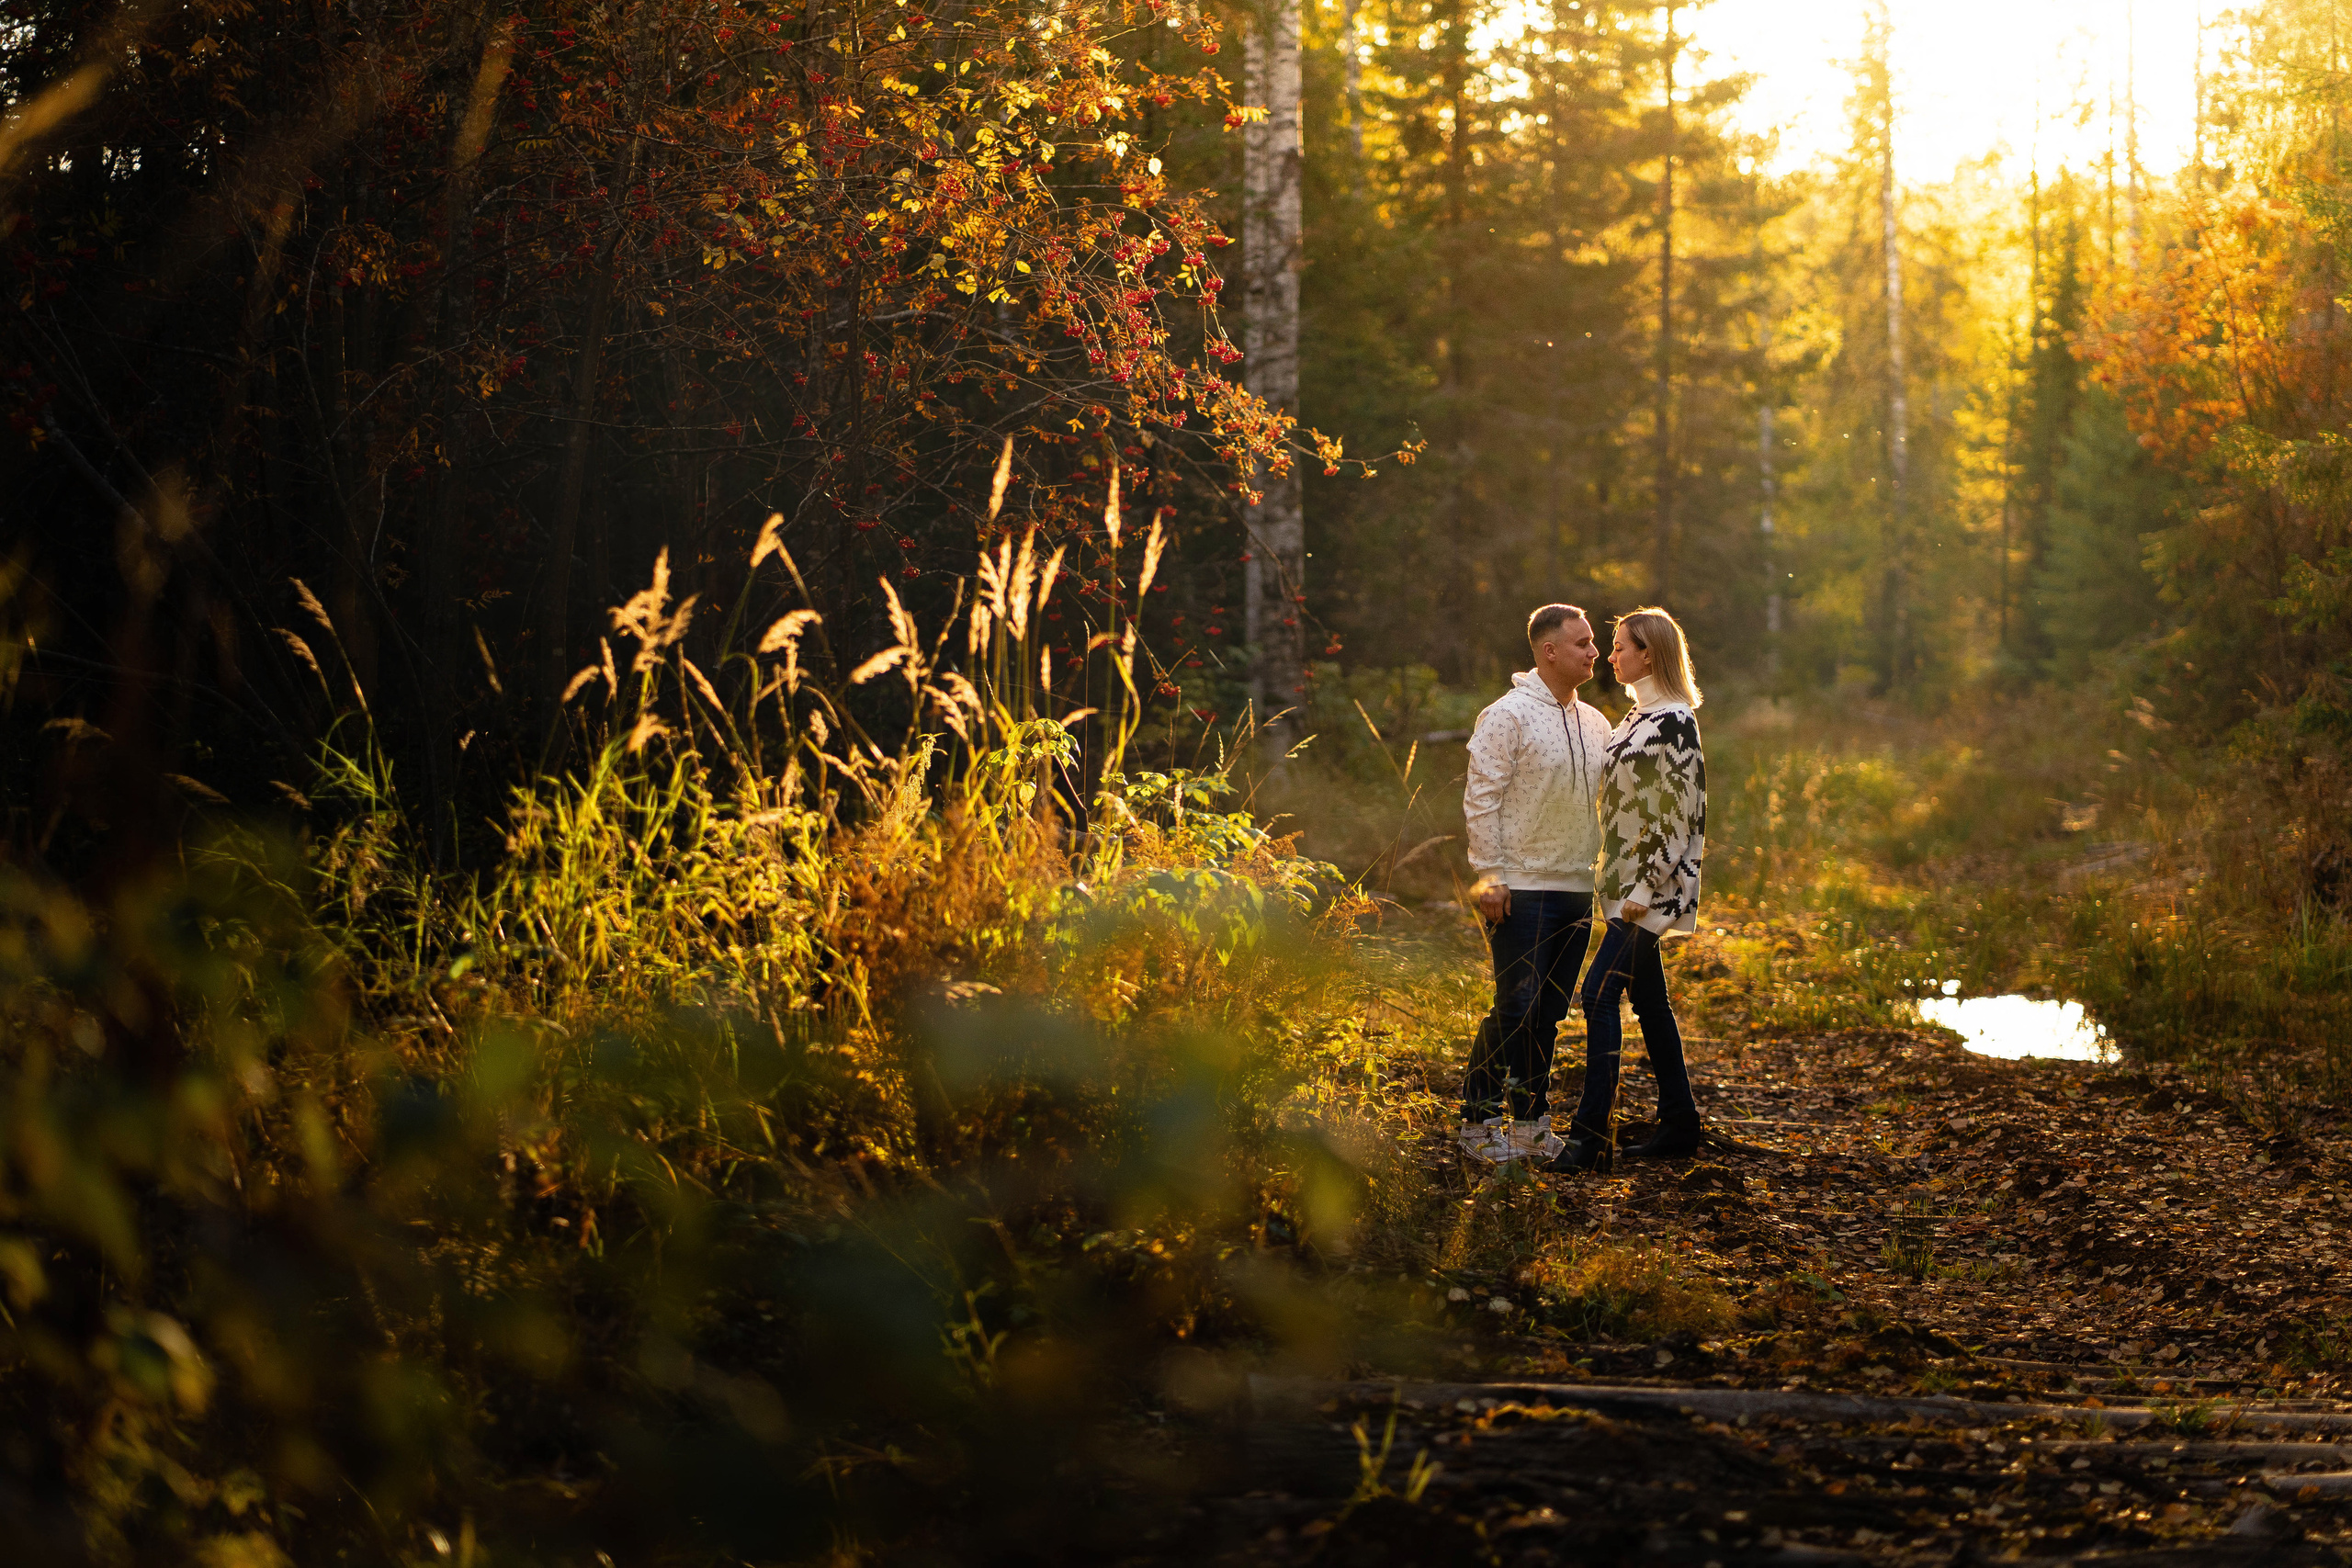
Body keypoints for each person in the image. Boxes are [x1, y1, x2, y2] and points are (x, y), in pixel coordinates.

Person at [1550, 606, 1710, 1174]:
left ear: (1650, 652)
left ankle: (1591, 1136)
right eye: (1612, 647)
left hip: (1651, 889)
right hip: (1620, 883)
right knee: (1647, 1000)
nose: (1609, 656)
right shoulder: (1636, 719)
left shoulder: (1674, 722)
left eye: (1619, 647)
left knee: (1598, 995)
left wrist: (1645, 884)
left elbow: (1678, 813)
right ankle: (1680, 1123)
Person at [1458, 604, 1612, 1163]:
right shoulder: (1507, 715)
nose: (1595, 652)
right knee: (1514, 1007)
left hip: (1576, 885)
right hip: (1519, 888)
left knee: (1548, 1012)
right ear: (1549, 651)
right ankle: (1477, 1124)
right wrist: (1491, 875)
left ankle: (1530, 1126)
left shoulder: (1596, 722)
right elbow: (1482, 798)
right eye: (1583, 644)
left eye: (1594, 642)